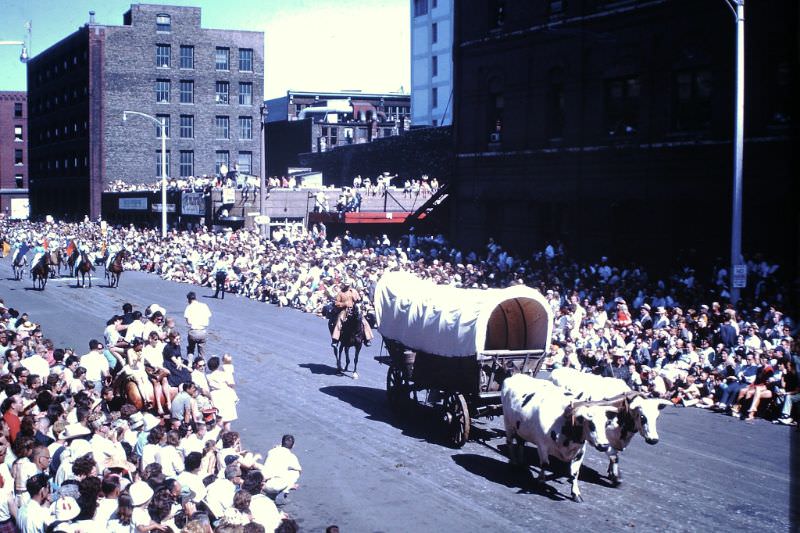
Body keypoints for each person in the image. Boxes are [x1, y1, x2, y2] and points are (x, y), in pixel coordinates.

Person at [330, 279, 373, 347]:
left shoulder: (354, 291)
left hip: (354, 308)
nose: (347, 286)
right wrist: (344, 304)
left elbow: (358, 299)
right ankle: (335, 339)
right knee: (339, 322)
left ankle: (367, 339)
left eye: (348, 285)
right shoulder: (340, 293)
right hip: (344, 310)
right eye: (346, 285)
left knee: (363, 321)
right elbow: (336, 303)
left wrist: (360, 298)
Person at [261, 435, 301, 504]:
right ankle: (286, 489)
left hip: (264, 484)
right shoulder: (291, 456)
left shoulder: (271, 451)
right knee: (296, 472)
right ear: (293, 445)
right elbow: (300, 470)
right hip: (277, 487)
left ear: (281, 443)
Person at [183, 293, 211, 359]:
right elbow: (208, 316)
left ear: (189, 300)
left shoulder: (189, 307)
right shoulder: (204, 305)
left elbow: (188, 322)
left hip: (193, 331)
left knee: (191, 349)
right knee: (202, 351)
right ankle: (202, 364)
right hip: (203, 331)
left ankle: (189, 363)